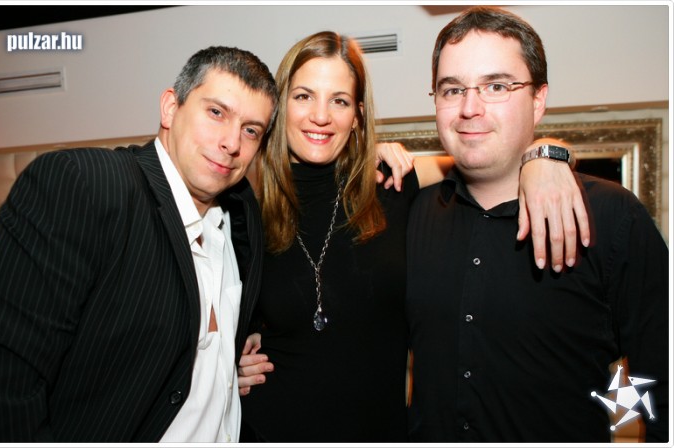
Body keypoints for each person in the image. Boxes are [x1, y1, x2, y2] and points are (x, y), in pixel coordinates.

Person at [237, 30, 588, 442]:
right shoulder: (246, 209)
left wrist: (545, 155)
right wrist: (231, 366)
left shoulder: (394, 183)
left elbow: (490, 156)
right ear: (280, 107)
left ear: (358, 116)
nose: (320, 116)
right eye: (303, 96)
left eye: (339, 101)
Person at [0, 46, 277, 442]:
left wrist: (225, 360)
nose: (232, 142)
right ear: (170, 108)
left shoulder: (240, 213)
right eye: (216, 112)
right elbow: (0, 377)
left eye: (251, 130)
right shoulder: (87, 186)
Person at [406, 6, 669, 442]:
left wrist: (615, 418)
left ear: (538, 99)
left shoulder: (611, 216)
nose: (469, 108)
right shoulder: (412, 215)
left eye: (496, 86)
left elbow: (659, 377)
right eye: (452, 89)